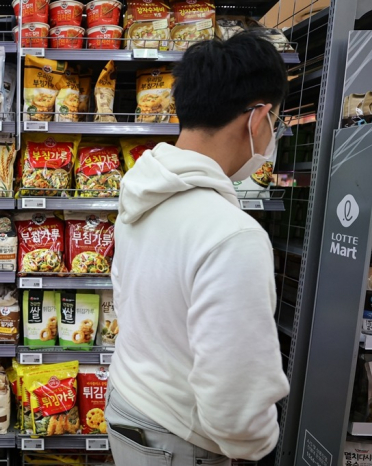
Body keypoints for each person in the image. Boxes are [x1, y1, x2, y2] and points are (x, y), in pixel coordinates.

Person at [107, 31, 291, 466]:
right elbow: (236, 400)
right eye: (276, 123)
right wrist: (258, 444)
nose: (271, 135)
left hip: (128, 407)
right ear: (256, 117)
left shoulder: (141, 193)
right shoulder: (232, 236)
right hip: (181, 439)